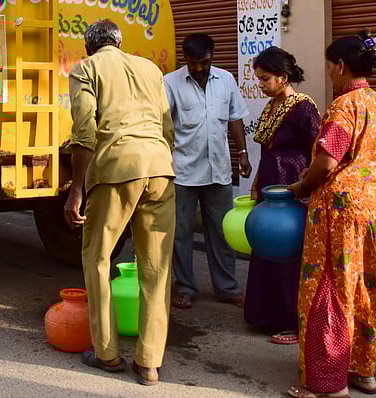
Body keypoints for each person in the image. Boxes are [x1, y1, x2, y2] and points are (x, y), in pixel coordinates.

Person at [286, 30, 376, 398]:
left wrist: (302, 186)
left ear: (342, 66)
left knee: (330, 288)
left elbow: (328, 160)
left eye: (331, 65)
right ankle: (363, 370)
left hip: (341, 211)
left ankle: (328, 383)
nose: (330, 72)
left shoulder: (344, 105)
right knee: (367, 285)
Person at [64, 19, 176, 386]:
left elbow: (84, 133)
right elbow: (167, 129)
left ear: (88, 46)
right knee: (156, 268)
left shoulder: (86, 69)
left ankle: (106, 353)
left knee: (97, 258)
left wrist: (77, 190)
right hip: (160, 168)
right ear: (120, 41)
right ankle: (149, 363)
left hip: (115, 169)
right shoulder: (150, 68)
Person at [164, 33, 251, 310]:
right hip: (183, 172)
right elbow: (164, 126)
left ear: (212, 56)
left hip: (219, 170)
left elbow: (235, 118)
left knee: (223, 231)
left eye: (203, 62)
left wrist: (243, 152)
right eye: (192, 63)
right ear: (184, 59)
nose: (199, 68)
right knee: (180, 233)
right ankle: (185, 287)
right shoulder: (170, 83)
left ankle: (226, 288)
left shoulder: (226, 80)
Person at [243, 47, 320, 345]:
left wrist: (306, 189)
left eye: (264, 79)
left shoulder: (303, 108)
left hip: (292, 191)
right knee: (265, 248)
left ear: (282, 77)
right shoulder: (272, 105)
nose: (260, 85)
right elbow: (267, 150)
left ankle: (292, 320)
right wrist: (255, 183)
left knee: (288, 254)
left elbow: (318, 151)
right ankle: (265, 315)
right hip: (270, 186)